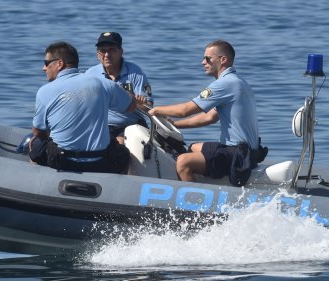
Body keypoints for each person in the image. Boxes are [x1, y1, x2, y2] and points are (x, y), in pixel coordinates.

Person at [149, 40, 265, 185]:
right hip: (248, 151)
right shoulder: (238, 81)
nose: (203, 62)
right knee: (193, 147)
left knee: (183, 161)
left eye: (208, 58)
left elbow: (185, 110)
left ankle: (193, 204)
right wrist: (175, 125)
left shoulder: (224, 84)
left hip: (237, 154)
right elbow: (209, 117)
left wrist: (156, 110)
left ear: (223, 60)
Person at [30, 41, 136, 173]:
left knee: (34, 143)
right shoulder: (103, 83)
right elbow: (131, 106)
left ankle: (36, 182)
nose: (43, 68)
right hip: (100, 162)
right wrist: (128, 94)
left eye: (46, 63)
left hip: (63, 162)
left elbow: (38, 132)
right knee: (123, 152)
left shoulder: (44, 91)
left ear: (60, 64)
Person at [85, 31, 153, 143]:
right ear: (97, 54)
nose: (107, 55)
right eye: (103, 51)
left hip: (132, 125)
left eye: (111, 49)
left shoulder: (136, 72)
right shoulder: (90, 75)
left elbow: (149, 107)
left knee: (119, 142)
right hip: (102, 127)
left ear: (121, 51)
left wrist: (140, 104)